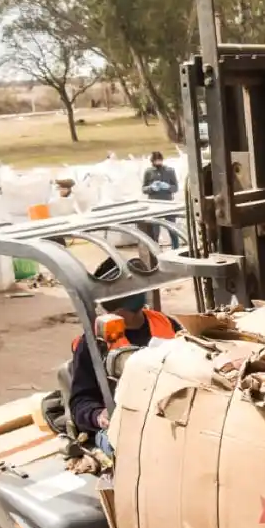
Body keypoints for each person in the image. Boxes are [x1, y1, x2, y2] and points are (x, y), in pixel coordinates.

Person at [69, 258, 179, 456]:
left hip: (167, 410)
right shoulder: (93, 343)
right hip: (124, 422)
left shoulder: (165, 323)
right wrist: (98, 415)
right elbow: (80, 402)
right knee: (139, 452)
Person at [141, 151, 181, 248]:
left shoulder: (170, 171)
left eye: (159, 160)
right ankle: (155, 247)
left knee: (172, 227)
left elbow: (175, 188)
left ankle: (175, 247)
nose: (158, 163)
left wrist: (167, 187)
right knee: (155, 229)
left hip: (168, 203)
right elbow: (144, 189)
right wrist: (151, 187)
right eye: (156, 161)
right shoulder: (148, 172)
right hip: (154, 204)